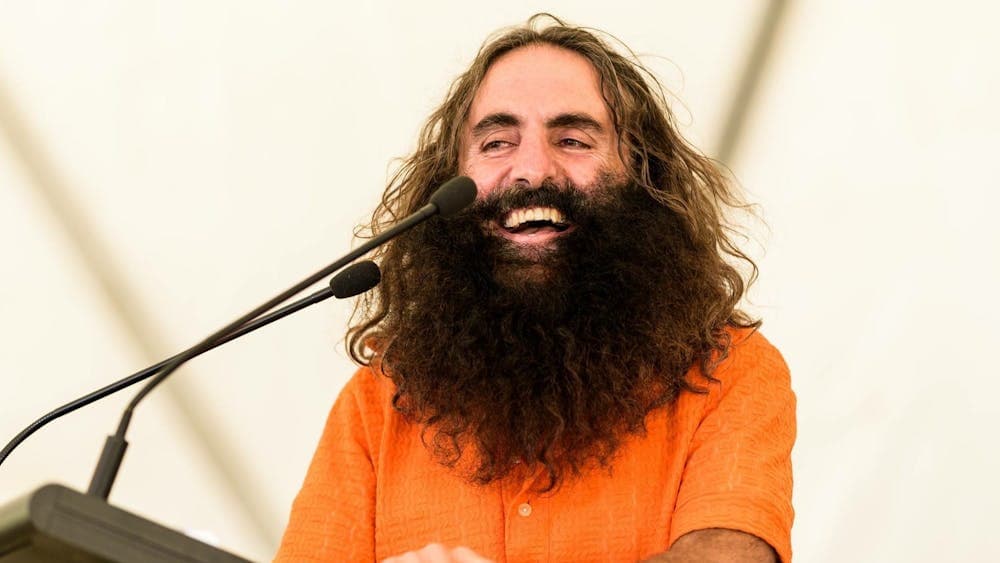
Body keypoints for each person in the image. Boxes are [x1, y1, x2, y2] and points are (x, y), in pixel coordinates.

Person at [275, 14, 795, 563]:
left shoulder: (731, 370)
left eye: (572, 140)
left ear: (643, 177)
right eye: (497, 142)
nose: (531, 168)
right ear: (448, 183)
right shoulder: (376, 402)